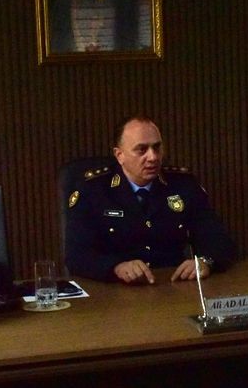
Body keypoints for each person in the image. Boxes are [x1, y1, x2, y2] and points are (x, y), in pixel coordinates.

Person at [65, 117, 236, 283]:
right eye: (142, 150)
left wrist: (205, 262)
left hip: (173, 285)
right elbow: (76, 256)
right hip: (114, 290)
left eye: (157, 147)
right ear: (119, 155)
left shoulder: (183, 185)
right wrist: (115, 267)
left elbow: (219, 240)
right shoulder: (93, 190)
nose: (153, 157)